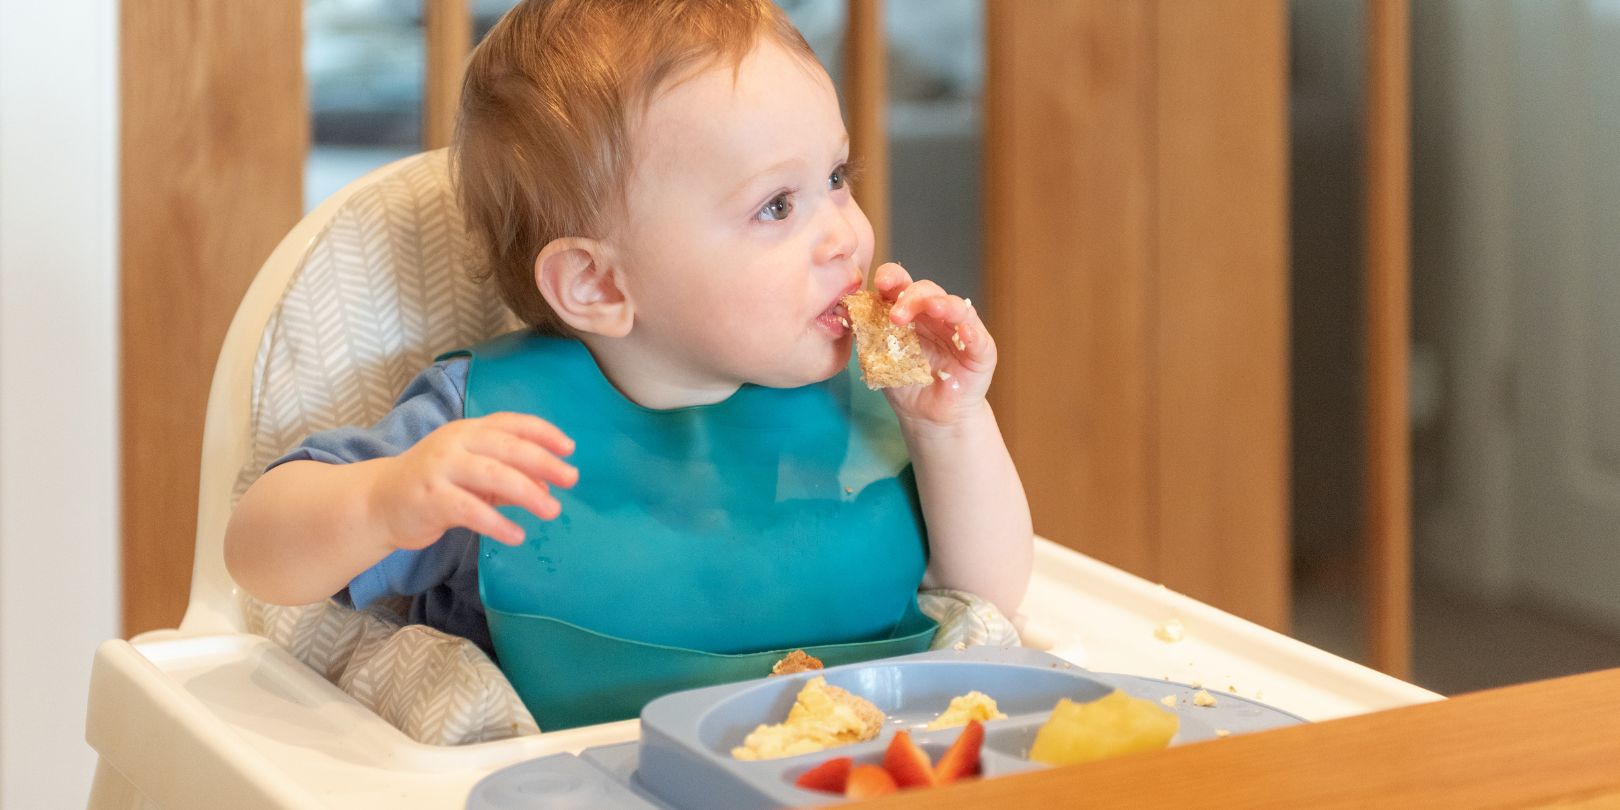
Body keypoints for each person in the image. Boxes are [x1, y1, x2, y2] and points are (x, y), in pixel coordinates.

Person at [224, 0, 1032, 728]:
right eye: (776, 206)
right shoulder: (495, 432)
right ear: (598, 283)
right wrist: (386, 499)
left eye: (835, 179)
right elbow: (256, 554)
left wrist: (950, 429)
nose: (844, 235)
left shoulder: (877, 387)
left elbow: (988, 604)